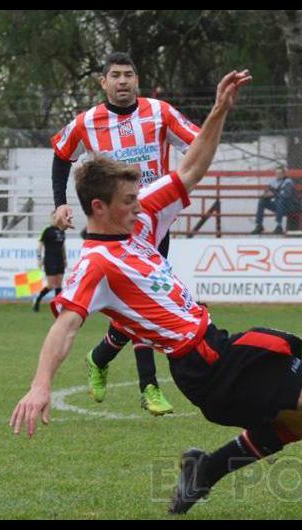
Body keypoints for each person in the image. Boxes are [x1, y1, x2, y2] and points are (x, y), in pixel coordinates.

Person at [9, 70, 302, 517]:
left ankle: (207, 469)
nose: (139, 207)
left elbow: (192, 168)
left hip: (214, 351)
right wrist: (39, 384)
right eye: (128, 202)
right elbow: (66, 327)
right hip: (203, 365)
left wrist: (218, 111)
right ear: (98, 208)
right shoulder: (94, 265)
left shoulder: (141, 220)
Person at [50, 52, 201, 415]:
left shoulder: (159, 112)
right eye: (115, 75)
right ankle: (148, 386)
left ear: (137, 80)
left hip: (153, 220)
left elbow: (196, 143)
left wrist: (172, 182)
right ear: (103, 83)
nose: (122, 81)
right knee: (144, 302)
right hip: (112, 226)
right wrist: (61, 203)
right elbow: (61, 155)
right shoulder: (86, 121)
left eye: (128, 75)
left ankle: (100, 356)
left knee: (141, 304)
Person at [32, 214, 66, 313]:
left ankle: (57, 307)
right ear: (51, 219)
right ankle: (37, 299)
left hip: (60, 260)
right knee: (51, 285)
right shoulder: (47, 231)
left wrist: (65, 259)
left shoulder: (62, 231)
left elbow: (63, 246)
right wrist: (39, 259)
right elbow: (40, 245)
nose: (56, 219)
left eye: (57, 217)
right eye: (54, 217)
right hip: (50, 260)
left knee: (59, 285)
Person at [250, 166, 297, 235]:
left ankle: (279, 226)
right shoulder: (273, 182)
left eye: (280, 173)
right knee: (262, 201)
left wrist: (274, 194)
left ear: (284, 174)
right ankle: (259, 225)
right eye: (277, 173)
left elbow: (287, 195)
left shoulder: (288, 182)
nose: (278, 175)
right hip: (278, 206)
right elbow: (269, 193)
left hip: (289, 206)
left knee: (280, 200)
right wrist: (265, 195)